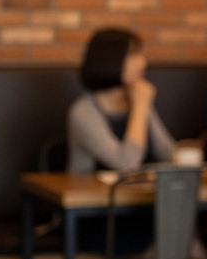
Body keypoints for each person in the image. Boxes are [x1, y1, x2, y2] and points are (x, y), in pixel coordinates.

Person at [68, 28, 175, 173]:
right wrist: (140, 106)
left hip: (141, 187)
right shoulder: (83, 112)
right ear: (109, 60)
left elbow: (168, 154)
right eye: (133, 55)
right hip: (93, 188)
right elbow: (127, 164)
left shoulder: (136, 99)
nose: (143, 62)